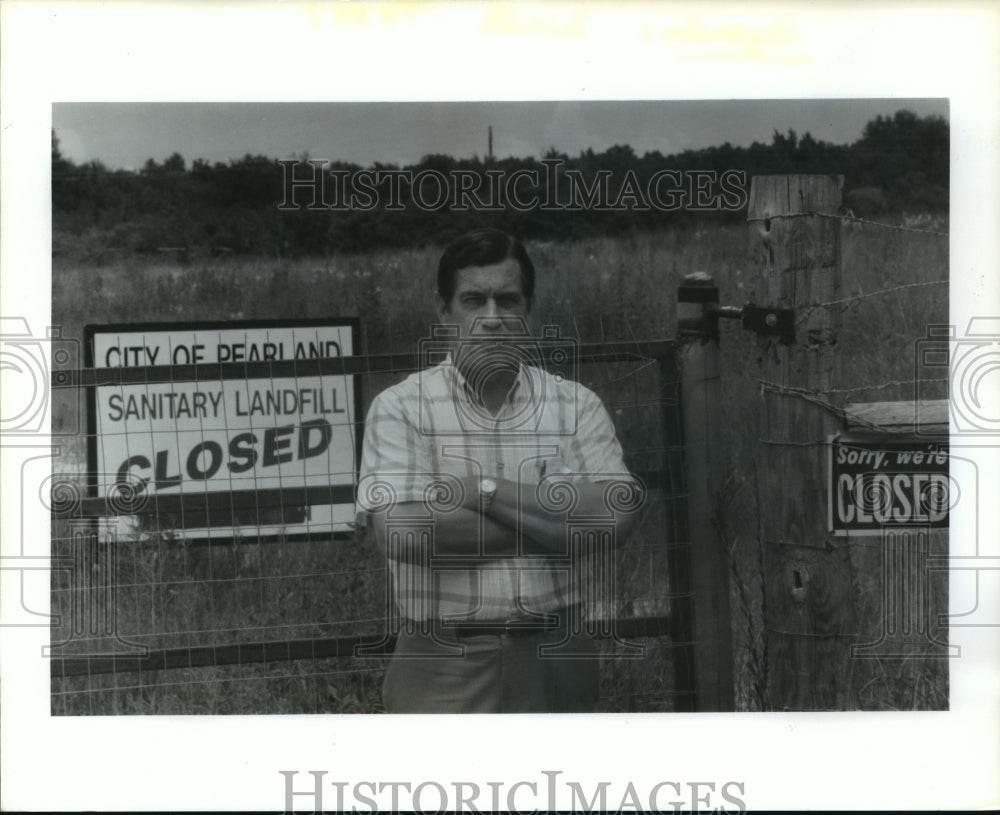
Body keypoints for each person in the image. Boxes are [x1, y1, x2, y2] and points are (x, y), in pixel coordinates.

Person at [356, 228, 641, 713]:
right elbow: (404, 532)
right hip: (443, 664)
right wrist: (559, 525)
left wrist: (481, 491)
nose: (492, 319)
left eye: (507, 300)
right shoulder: (400, 407)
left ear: (528, 309)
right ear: (444, 311)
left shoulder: (576, 405)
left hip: (558, 657)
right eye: (473, 300)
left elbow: (616, 518)